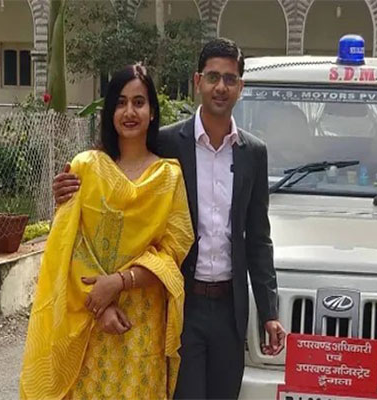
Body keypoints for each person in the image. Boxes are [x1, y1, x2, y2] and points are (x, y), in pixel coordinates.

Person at [53, 38, 286, 399]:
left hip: (230, 309)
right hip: (180, 302)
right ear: (197, 81)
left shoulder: (253, 153)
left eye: (229, 79)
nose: (220, 87)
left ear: (240, 86)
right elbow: (118, 174)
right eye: (213, 77)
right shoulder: (166, 143)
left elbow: (257, 237)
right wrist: (71, 188)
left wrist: (269, 312)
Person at [20, 64, 194, 400]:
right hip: (89, 320)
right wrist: (100, 305)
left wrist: (119, 282)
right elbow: (69, 243)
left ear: (153, 112)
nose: (130, 112)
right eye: (120, 102)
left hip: (141, 323)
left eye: (139, 102)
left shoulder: (168, 178)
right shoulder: (86, 167)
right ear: (110, 111)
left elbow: (173, 251)